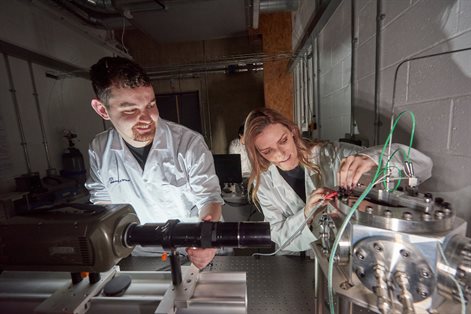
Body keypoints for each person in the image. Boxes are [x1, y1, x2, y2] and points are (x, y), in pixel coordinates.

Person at [85, 56, 223, 269]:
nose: (147, 118)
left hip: (192, 248)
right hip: (138, 254)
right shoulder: (99, 149)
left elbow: (209, 198)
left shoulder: (187, 143)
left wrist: (207, 242)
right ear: (102, 110)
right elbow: (103, 206)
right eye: (130, 110)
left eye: (151, 105)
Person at [244, 108, 433, 252]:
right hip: (295, 262)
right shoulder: (264, 184)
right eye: (267, 151)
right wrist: (305, 214)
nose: (280, 154)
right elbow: (278, 236)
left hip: (342, 253)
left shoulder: (332, 155)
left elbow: (423, 166)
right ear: (258, 153)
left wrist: (373, 159)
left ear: (292, 132)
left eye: (283, 141)